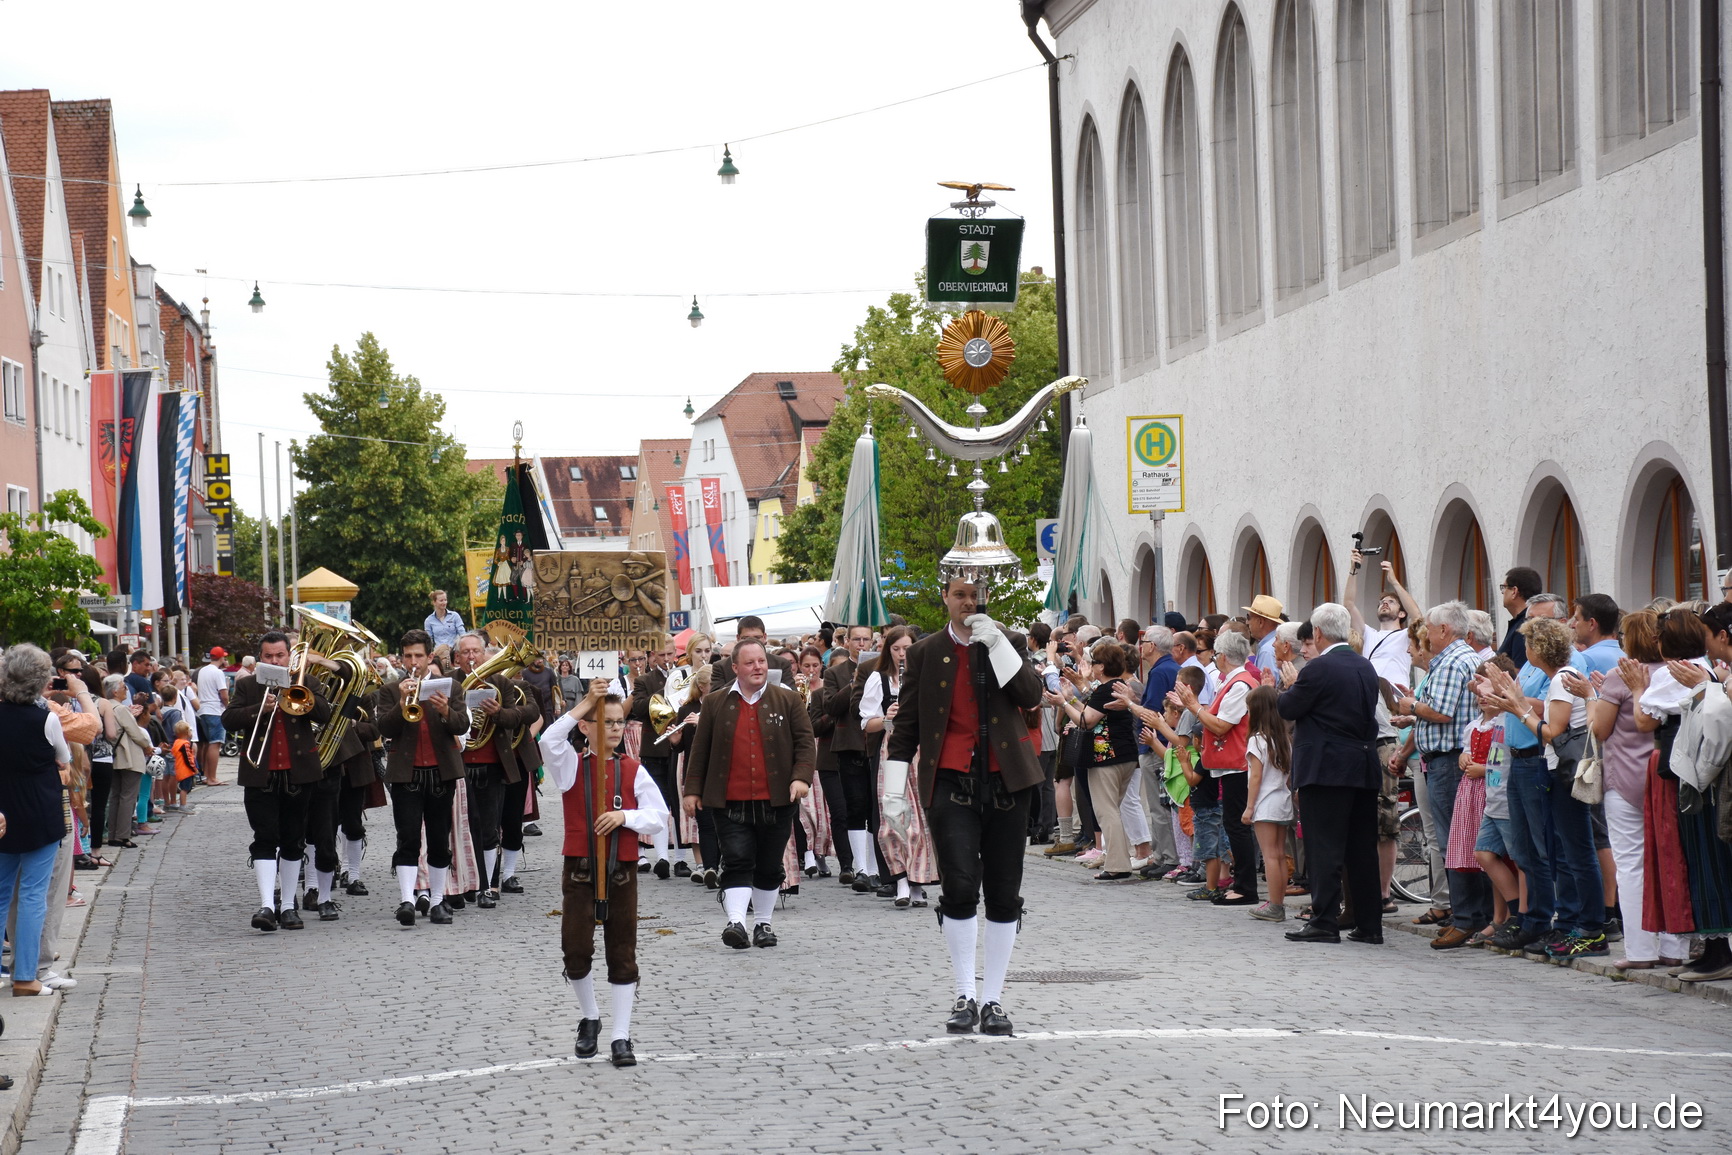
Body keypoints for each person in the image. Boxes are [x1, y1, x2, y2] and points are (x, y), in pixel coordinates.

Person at [882, 578, 1043, 1036]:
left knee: (1005, 889)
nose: (968, 603)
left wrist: (998, 646)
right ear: (945, 598)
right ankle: (965, 993)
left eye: (975, 596)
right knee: (958, 882)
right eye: (959, 595)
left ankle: (993, 998)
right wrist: (894, 792)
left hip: (1008, 779)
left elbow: (1031, 698)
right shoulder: (925, 652)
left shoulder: (1007, 640)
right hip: (950, 779)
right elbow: (908, 724)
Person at [540, 681, 667, 1067]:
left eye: (618, 722)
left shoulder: (633, 768)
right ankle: (591, 1017)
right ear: (587, 727)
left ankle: (620, 1035)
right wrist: (587, 703)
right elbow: (548, 738)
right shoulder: (569, 766)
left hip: (621, 870)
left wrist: (625, 816)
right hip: (579, 869)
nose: (614, 728)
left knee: (622, 952)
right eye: (606, 721)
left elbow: (659, 816)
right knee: (575, 950)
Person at [682, 638, 815, 950]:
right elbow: (700, 751)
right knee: (738, 859)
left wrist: (800, 778)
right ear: (735, 668)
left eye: (762, 661)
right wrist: (692, 791)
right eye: (751, 662)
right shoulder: (715, 702)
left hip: (778, 799)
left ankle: (763, 924)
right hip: (729, 799)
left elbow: (805, 744)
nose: (758, 667)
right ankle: (737, 923)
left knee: (769, 865)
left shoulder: (788, 699)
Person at [1277, 604, 1384, 944]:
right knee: (1361, 850)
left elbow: (1288, 708)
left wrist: (1292, 684)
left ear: (1318, 634)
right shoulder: (1364, 666)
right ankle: (1369, 925)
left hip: (1326, 769)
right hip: (1362, 766)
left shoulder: (1318, 669)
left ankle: (1323, 920)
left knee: (1324, 848)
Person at [221, 631, 333, 932]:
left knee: (293, 838)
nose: (274, 660)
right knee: (264, 838)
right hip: (260, 773)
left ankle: (287, 906)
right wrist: (260, 708)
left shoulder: (306, 682)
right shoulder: (248, 685)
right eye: (268, 656)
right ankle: (267, 905)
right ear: (261, 659)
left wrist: (298, 689)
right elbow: (228, 720)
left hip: (299, 773)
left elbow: (326, 715)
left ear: (289, 656)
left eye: (280, 655)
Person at [1393, 601, 1488, 949]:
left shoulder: (1451, 661)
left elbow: (1441, 713)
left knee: (1454, 843)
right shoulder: (1459, 658)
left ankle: (1466, 918)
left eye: (1430, 630)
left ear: (1444, 630)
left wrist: (1411, 706)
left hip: (1448, 761)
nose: (1426, 636)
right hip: (1448, 758)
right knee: (1458, 840)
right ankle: (1470, 915)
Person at [375, 629, 470, 926]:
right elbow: (386, 729)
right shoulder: (391, 690)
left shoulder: (450, 686)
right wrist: (402, 703)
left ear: (429, 657)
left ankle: (439, 902)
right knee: (408, 838)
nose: (413, 661)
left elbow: (462, 724)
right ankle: (407, 899)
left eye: (418, 655)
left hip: (441, 772)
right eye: (408, 656)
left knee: (440, 840)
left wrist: (445, 711)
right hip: (406, 774)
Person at [1170, 630, 1262, 906]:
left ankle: (1246, 887)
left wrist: (1194, 707)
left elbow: (1222, 725)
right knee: (1233, 825)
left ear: (1222, 656)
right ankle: (1241, 883)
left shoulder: (1239, 684)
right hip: (1228, 763)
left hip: (1236, 764)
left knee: (1237, 826)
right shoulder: (1233, 682)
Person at [0, 644, 71, 999]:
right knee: (32, 896)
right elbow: (63, 757)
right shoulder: (47, 718)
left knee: (0, 895)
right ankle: (26, 976)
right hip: (40, 813)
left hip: (3, 812)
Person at [451, 631, 539, 907]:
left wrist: (497, 712)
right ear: (457, 657)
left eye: (476, 651)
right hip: (459, 765)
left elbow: (516, 717)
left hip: (492, 765)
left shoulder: (501, 682)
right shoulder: (450, 683)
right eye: (466, 653)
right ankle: (463, 884)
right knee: (462, 827)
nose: (472, 657)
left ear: (484, 653)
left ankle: (489, 885)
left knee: (489, 828)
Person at [860, 626, 935, 906]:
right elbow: (867, 724)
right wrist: (887, 716)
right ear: (888, 650)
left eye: (907, 648)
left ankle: (917, 886)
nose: (903, 654)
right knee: (894, 819)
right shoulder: (878, 679)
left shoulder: (927, 677)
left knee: (920, 823)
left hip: (921, 754)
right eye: (896, 649)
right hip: (892, 755)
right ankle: (901, 882)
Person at [1058, 638, 1139, 882]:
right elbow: (1090, 710)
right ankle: (1121, 858)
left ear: (1102, 667)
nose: (1091, 666)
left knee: (1106, 812)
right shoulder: (1117, 686)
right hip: (1124, 756)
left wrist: (1063, 701)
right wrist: (1072, 698)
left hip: (1107, 757)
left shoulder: (1107, 688)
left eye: (1094, 662)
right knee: (1112, 810)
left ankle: (1117, 865)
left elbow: (1086, 720)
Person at [813, 624, 878, 889]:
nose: (861, 644)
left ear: (872, 642)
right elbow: (831, 706)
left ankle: (875, 869)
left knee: (876, 809)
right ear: (847, 641)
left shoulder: (880, 669)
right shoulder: (836, 673)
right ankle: (860, 868)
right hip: (849, 744)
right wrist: (854, 682)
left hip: (875, 743)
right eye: (856, 639)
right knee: (855, 806)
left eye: (866, 639)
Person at [1240, 685, 1295, 921]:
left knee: (1269, 855)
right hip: (1282, 799)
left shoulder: (1257, 740)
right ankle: (1278, 902)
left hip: (1265, 802)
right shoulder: (1283, 739)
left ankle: (1274, 905)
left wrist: (1249, 806)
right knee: (1280, 854)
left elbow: (1256, 776)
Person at [195, 647, 230, 786]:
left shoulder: (203, 670)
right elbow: (224, 694)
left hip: (203, 709)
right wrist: (228, 707)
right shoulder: (217, 673)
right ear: (221, 658)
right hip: (215, 709)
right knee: (215, 743)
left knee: (209, 744)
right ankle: (212, 777)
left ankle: (207, 776)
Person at [1497, 567, 1542, 668]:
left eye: (1504, 587)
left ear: (1514, 591)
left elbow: (1519, 670)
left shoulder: (1525, 627)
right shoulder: (1520, 623)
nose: (1502, 592)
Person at [1243, 595, 1284, 675]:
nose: (1247, 622)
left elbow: (1266, 686)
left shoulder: (1267, 650)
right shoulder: (1273, 643)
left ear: (1260, 622)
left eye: (1248, 617)